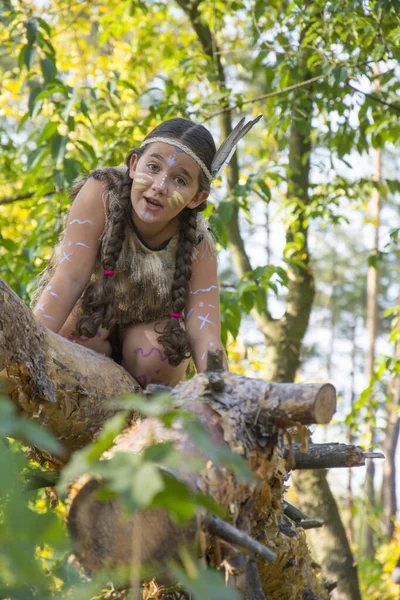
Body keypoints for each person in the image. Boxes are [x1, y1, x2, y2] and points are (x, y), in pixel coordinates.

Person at [32, 116, 260, 387]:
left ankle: (144, 417)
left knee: (162, 353)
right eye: (153, 167)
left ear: (197, 198)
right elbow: (69, 279)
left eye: (180, 180)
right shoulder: (101, 193)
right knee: (77, 327)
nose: (160, 186)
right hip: (86, 324)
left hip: (143, 352)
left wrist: (226, 396)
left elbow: (205, 333)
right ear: (133, 164)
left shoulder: (199, 245)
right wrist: (27, 347)